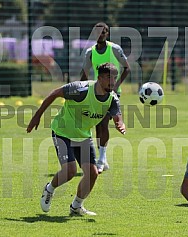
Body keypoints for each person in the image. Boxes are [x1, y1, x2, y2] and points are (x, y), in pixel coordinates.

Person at [27, 63, 126, 216]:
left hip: (83, 136)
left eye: (114, 77)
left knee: (93, 173)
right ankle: (49, 189)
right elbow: (54, 93)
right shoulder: (81, 90)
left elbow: (117, 116)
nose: (112, 81)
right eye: (108, 77)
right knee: (70, 170)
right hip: (62, 131)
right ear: (99, 78)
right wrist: (37, 116)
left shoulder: (112, 99)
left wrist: (120, 123)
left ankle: (76, 207)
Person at [80, 22, 130, 173]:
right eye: (98, 32)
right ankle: (102, 158)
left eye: (103, 32)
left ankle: (101, 160)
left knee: (103, 123)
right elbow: (85, 73)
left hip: (112, 92)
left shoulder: (114, 49)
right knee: (97, 124)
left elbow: (127, 68)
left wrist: (115, 86)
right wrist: (81, 90)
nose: (100, 35)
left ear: (107, 34)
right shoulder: (90, 52)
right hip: (95, 92)